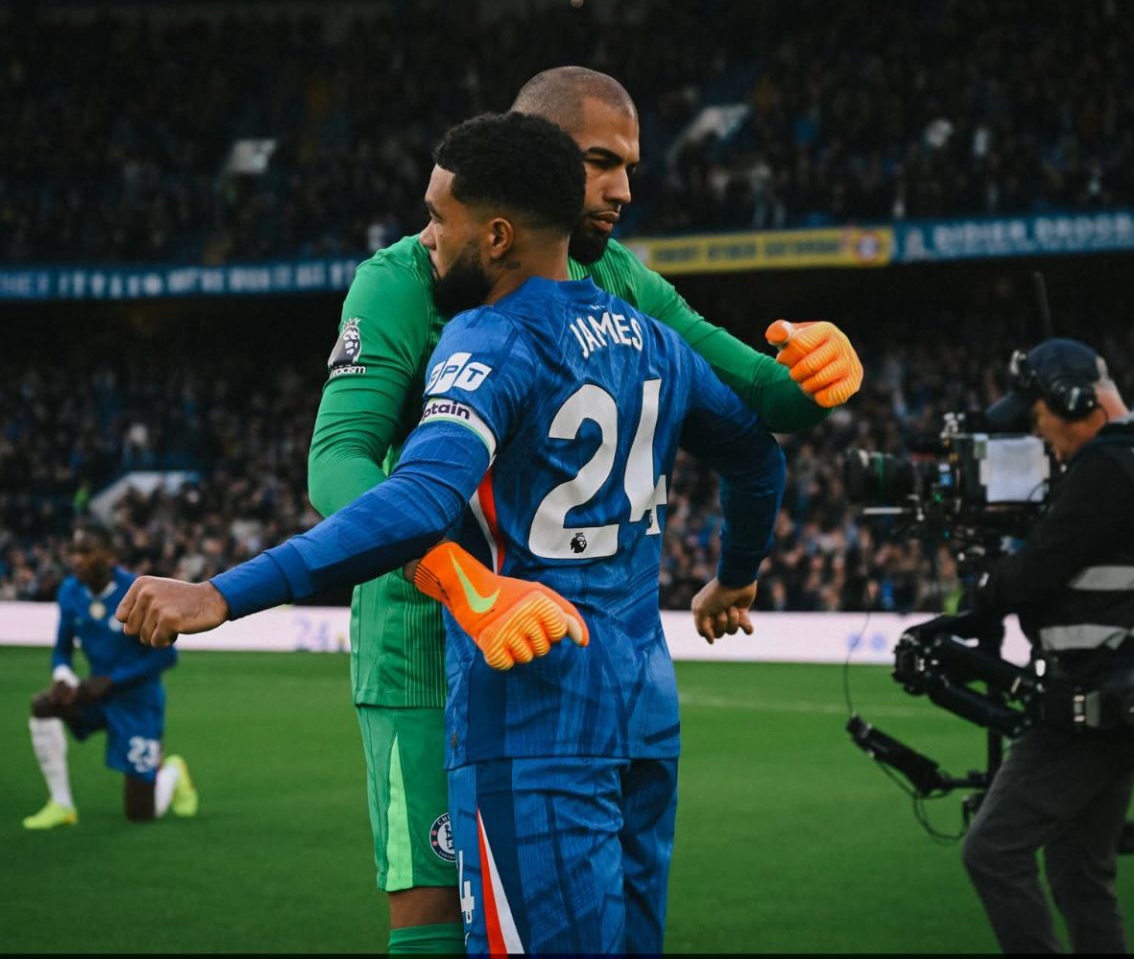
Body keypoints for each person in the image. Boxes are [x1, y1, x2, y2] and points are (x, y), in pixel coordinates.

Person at [116, 111, 786, 953]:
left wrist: (223, 593)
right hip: (642, 707)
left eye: (439, 218)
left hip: (530, 710)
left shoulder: (489, 335)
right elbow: (759, 459)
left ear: (497, 236)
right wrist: (736, 571)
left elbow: (420, 499)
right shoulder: (652, 338)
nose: (426, 238)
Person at [303, 65, 862, 955]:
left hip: (563, 669)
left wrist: (819, 370)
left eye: (629, 166)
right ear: (535, 160)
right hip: (422, 646)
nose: (623, 189)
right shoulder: (403, 280)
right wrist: (449, 572)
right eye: (601, 162)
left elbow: (757, 400)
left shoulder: (622, 281)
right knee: (438, 918)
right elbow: (337, 457)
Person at [962, 338, 1134, 953]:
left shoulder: (1111, 466)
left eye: (1037, 417)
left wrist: (985, 587)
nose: (1038, 434)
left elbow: (1035, 572)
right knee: (1079, 870)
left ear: (1073, 400)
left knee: (993, 850)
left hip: (1098, 697)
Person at [22, 523, 197, 829]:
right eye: (74, 551)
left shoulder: (137, 593)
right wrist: (63, 677)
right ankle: (61, 804)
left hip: (138, 703)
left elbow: (167, 656)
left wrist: (112, 681)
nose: (77, 559)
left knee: (140, 814)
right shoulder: (69, 592)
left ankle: (171, 773)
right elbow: (62, 650)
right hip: (95, 694)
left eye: (86, 552)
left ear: (109, 555)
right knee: (44, 705)